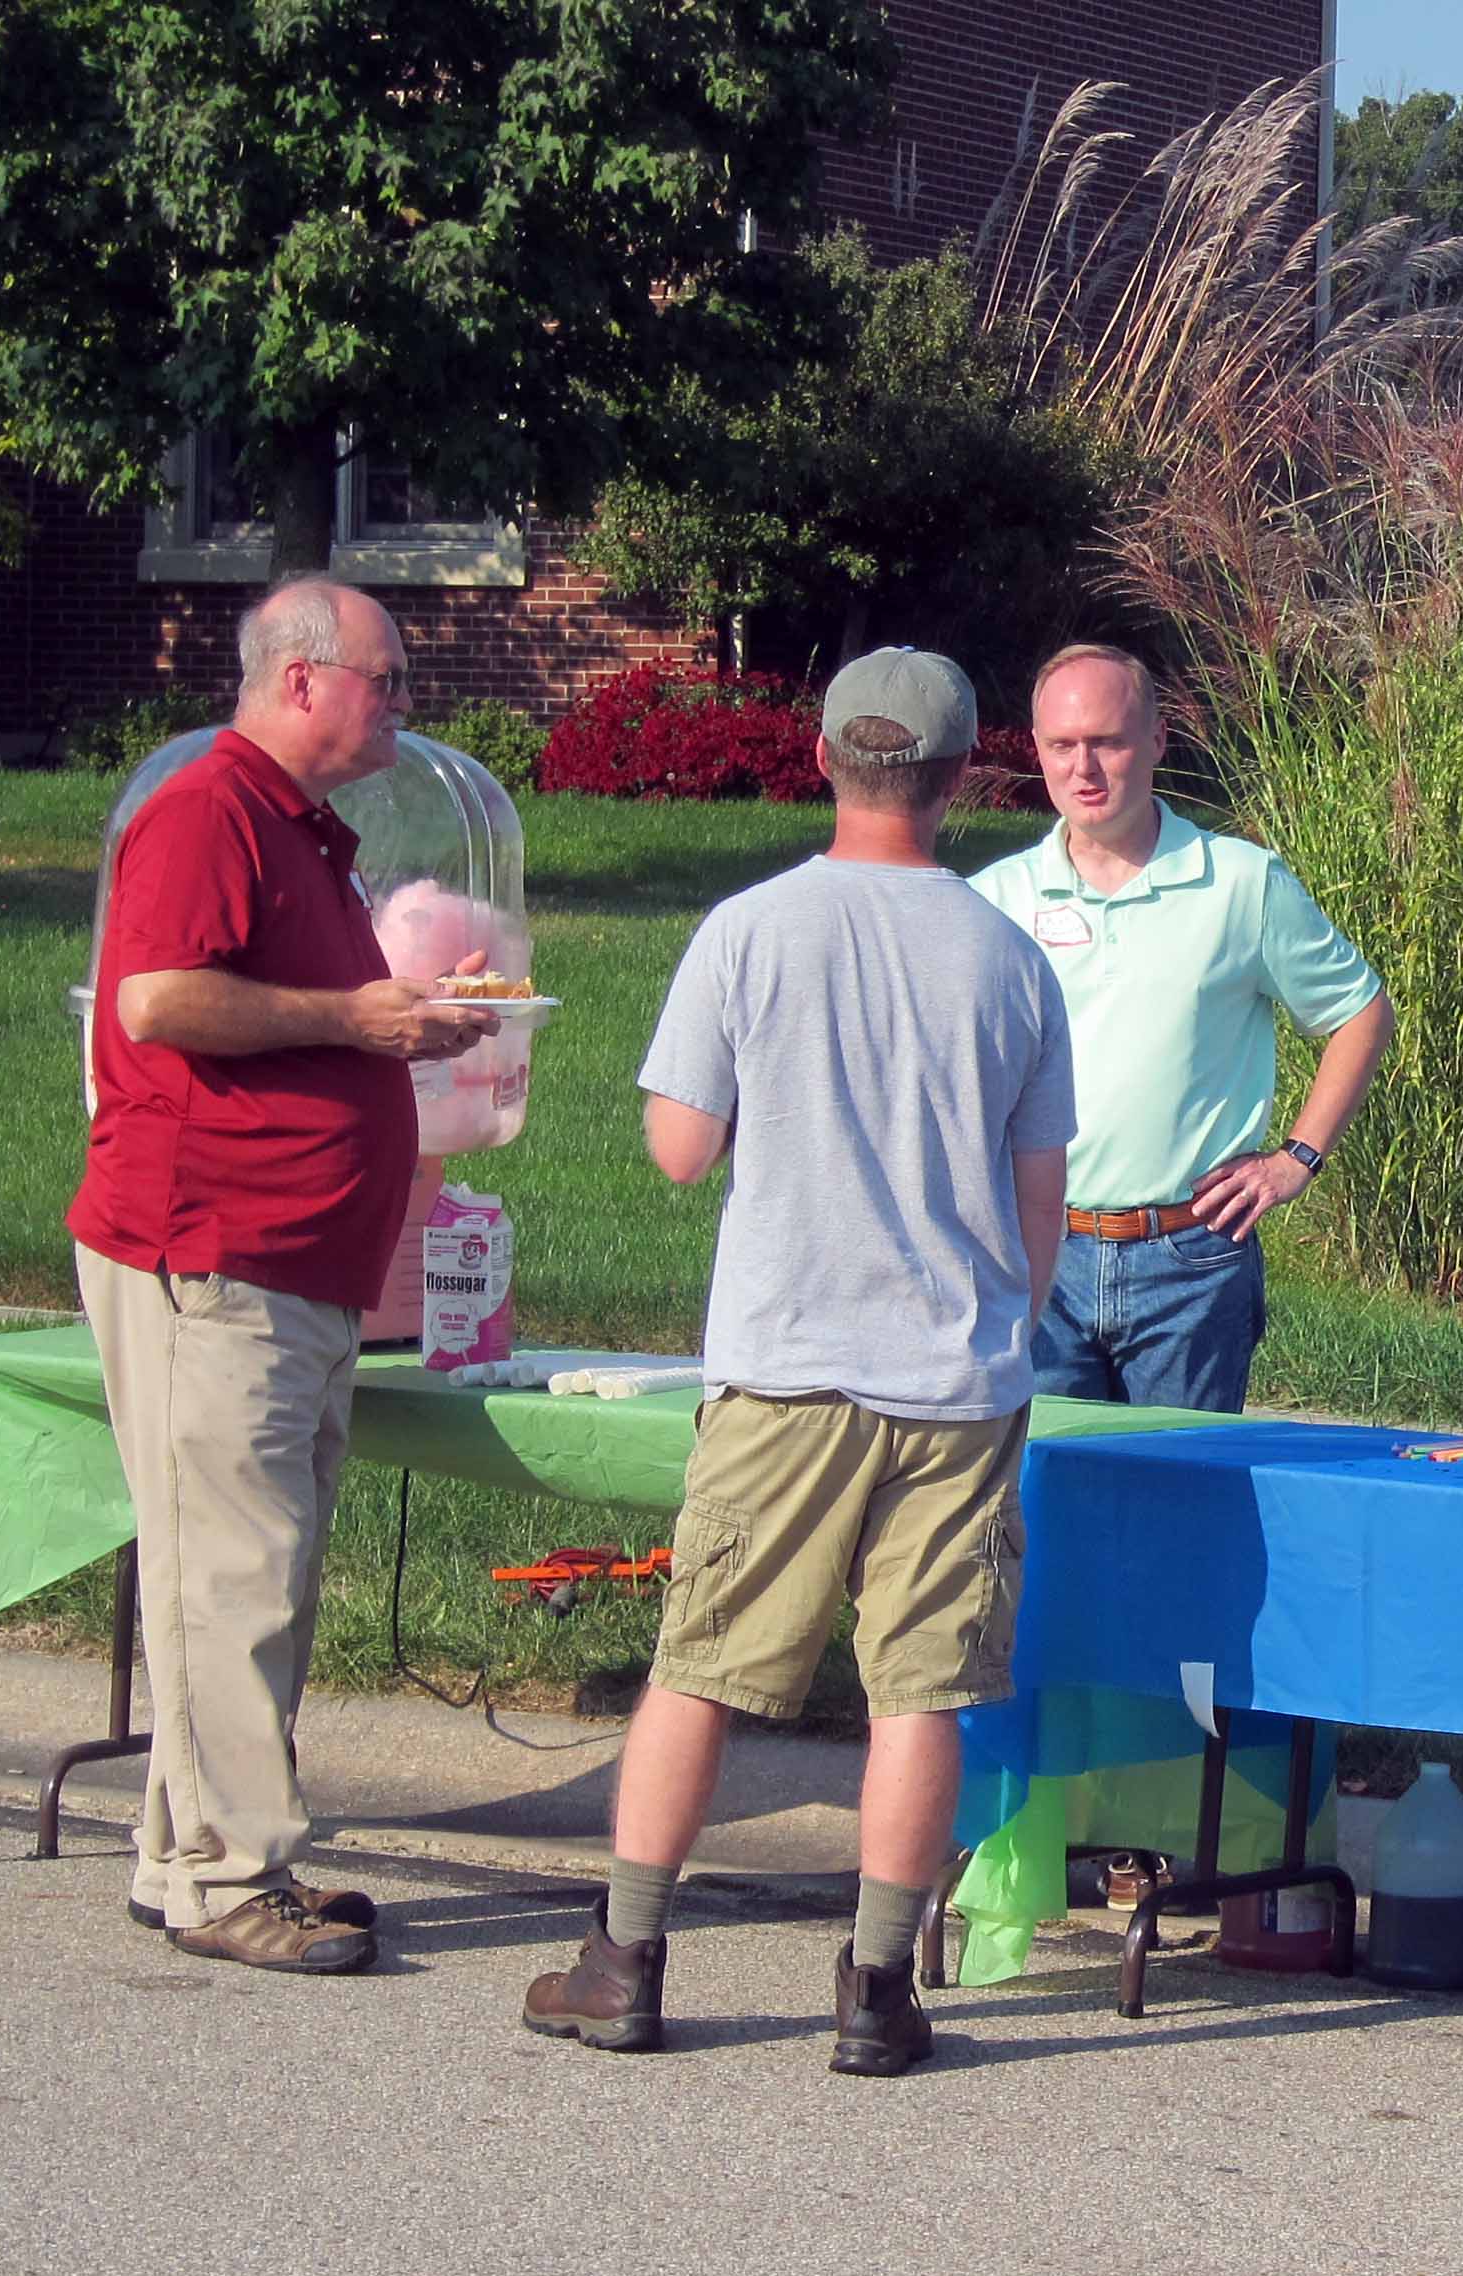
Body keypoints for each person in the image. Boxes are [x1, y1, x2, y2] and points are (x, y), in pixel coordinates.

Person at [523, 649, 1075, 2072]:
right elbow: (1040, 1200)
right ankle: (878, 1989)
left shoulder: (748, 929)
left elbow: (679, 1146)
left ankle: (625, 1960)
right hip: (954, 1386)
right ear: (960, 780)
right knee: (920, 1692)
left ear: (825, 760)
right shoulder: (1011, 958)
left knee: (701, 1667)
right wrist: (1006, 1323)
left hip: (784, 1375)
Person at [68, 576, 497, 1974]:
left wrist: (403, 1022)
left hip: (291, 1256)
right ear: (302, 679)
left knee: (252, 1565)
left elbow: (309, 1016)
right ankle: (229, 1875)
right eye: (388, 677)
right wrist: (356, 1018)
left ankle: (183, 1854)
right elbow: (158, 998)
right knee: (233, 1571)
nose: (405, 703)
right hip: (213, 1249)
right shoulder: (208, 807)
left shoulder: (295, 823)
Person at [968, 643, 1392, 1413]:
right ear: (1037, 748)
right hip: (1037, 1258)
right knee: (1046, 1484)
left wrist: (1297, 1158)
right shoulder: (995, 901)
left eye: (1108, 742)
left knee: (1180, 1483)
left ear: (1158, 740)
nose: (1084, 768)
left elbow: (1360, 1013)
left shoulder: (1240, 883)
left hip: (1192, 1264)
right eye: (1063, 745)